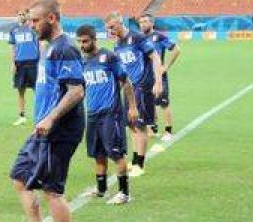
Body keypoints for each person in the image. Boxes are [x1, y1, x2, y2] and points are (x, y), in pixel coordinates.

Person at [10, 0, 85, 222]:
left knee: (52, 189)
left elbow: (76, 91)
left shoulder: (65, 48)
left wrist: (52, 118)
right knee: (20, 177)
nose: (31, 26)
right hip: (43, 128)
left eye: (35, 21)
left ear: (51, 18)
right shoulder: (49, 48)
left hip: (60, 129)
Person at [77, 25, 138, 205]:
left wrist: (132, 107)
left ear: (95, 39)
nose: (82, 45)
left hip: (111, 113)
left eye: (85, 41)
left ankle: (124, 193)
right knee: (98, 154)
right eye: (79, 41)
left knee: (116, 153)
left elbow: (126, 82)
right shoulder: (82, 62)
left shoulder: (109, 57)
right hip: (92, 113)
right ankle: (101, 190)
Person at [104, 13, 164, 177]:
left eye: (112, 27)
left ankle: (140, 164)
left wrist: (158, 82)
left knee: (140, 124)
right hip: (129, 88)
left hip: (142, 85)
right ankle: (135, 158)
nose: (110, 31)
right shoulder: (117, 44)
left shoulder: (136, 37)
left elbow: (155, 57)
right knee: (131, 124)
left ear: (121, 23)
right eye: (108, 28)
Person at [137, 13, 180, 151]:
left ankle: (168, 130)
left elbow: (176, 49)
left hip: (158, 75)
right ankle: (153, 128)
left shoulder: (159, 36)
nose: (143, 24)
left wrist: (165, 67)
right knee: (149, 102)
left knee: (163, 102)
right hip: (145, 76)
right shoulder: (139, 38)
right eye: (141, 22)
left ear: (152, 23)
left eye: (145, 21)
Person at [8, 9, 40, 126]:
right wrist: (13, 63)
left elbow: (40, 44)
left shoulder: (33, 28)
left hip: (33, 62)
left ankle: (40, 114)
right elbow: (13, 48)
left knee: (38, 89)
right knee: (20, 91)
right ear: (17, 16)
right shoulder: (14, 30)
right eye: (19, 14)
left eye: (24, 14)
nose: (22, 16)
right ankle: (21, 116)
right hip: (20, 63)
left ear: (28, 15)